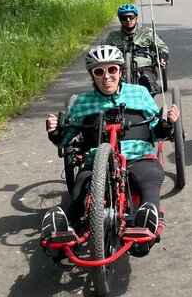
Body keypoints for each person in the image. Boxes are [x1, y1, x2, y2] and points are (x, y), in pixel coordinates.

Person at [40, 44, 179, 256]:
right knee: (81, 188)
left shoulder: (140, 94)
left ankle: (145, 222)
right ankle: (65, 230)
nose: (106, 77)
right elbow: (64, 141)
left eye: (112, 70)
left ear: (120, 71)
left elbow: (155, 133)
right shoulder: (83, 102)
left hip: (138, 157)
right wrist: (54, 131)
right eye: (99, 71)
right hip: (97, 161)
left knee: (152, 176)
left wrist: (167, 123)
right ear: (92, 75)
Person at [104, 3, 169, 95]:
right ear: (119, 19)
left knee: (146, 77)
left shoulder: (147, 33)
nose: (128, 20)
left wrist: (162, 57)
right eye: (124, 17)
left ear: (136, 18)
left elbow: (161, 46)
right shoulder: (113, 37)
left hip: (145, 68)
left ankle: (148, 86)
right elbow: (103, 52)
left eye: (131, 16)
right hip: (120, 71)